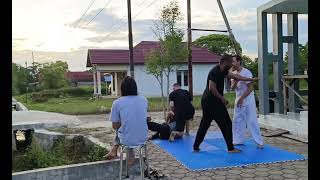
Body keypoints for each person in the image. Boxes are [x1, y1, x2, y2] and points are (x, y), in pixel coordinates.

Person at [193, 54, 259, 153]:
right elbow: (211, 88)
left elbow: (236, 76)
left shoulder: (223, 71)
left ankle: (196, 146)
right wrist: (222, 98)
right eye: (230, 62)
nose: (232, 64)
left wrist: (250, 79)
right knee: (226, 124)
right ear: (225, 62)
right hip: (212, 102)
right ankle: (231, 148)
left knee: (205, 124)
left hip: (209, 101)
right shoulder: (214, 71)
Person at [104, 76, 148, 165]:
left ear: (122, 89)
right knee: (127, 127)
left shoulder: (117, 102)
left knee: (122, 129)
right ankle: (118, 151)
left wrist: (123, 122)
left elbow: (114, 126)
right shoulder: (144, 99)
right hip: (143, 137)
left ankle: (119, 152)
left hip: (127, 139)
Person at [231, 55, 264, 148]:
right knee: (237, 120)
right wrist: (237, 79)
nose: (232, 63)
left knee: (252, 120)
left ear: (239, 61)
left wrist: (242, 99)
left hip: (248, 98)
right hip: (238, 98)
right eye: (231, 61)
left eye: (233, 61)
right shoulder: (233, 73)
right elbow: (232, 88)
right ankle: (238, 140)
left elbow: (250, 88)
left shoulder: (247, 72)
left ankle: (259, 141)